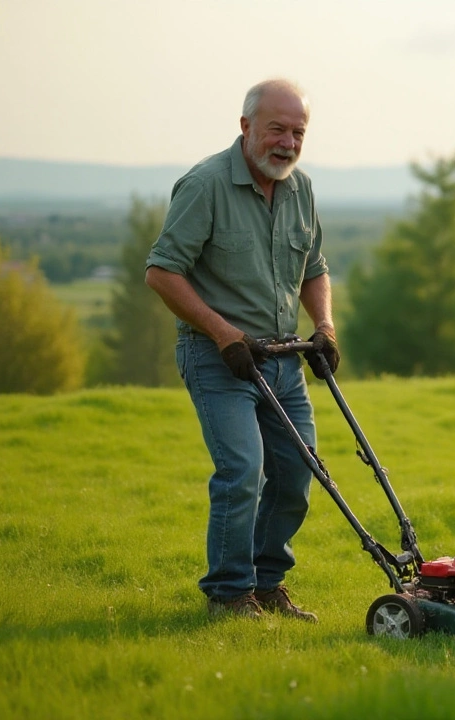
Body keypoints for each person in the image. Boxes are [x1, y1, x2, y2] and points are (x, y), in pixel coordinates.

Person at [145, 78, 339, 622]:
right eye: (277, 128)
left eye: (298, 131)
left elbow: (315, 270)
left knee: (299, 474)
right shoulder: (205, 184)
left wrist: (324, 325)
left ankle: (267, 584)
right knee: (243, 471)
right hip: (220, 360)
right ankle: (229, 596)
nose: (287, 141)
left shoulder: (301, 189)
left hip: (282, 361)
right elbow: (161, 272)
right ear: (245, 126)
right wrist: (222, 331)